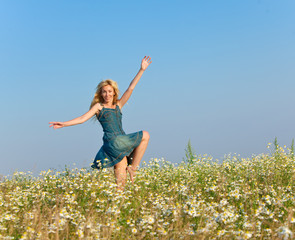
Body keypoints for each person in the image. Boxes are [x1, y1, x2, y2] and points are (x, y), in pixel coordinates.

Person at [49, 56, 152, 190]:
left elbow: (130, 88)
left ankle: (122, 191)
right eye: (104, 92)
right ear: (101, 94)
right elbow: (82, 119)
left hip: (121, 139)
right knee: (145, 135)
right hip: (113, 141)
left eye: (110, 91)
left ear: (114, 93)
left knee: (121, 175)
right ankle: (133, 168)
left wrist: (141, 70)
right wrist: (64, 124)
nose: (107, 94)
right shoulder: (99, 107)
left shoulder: (118, 105)